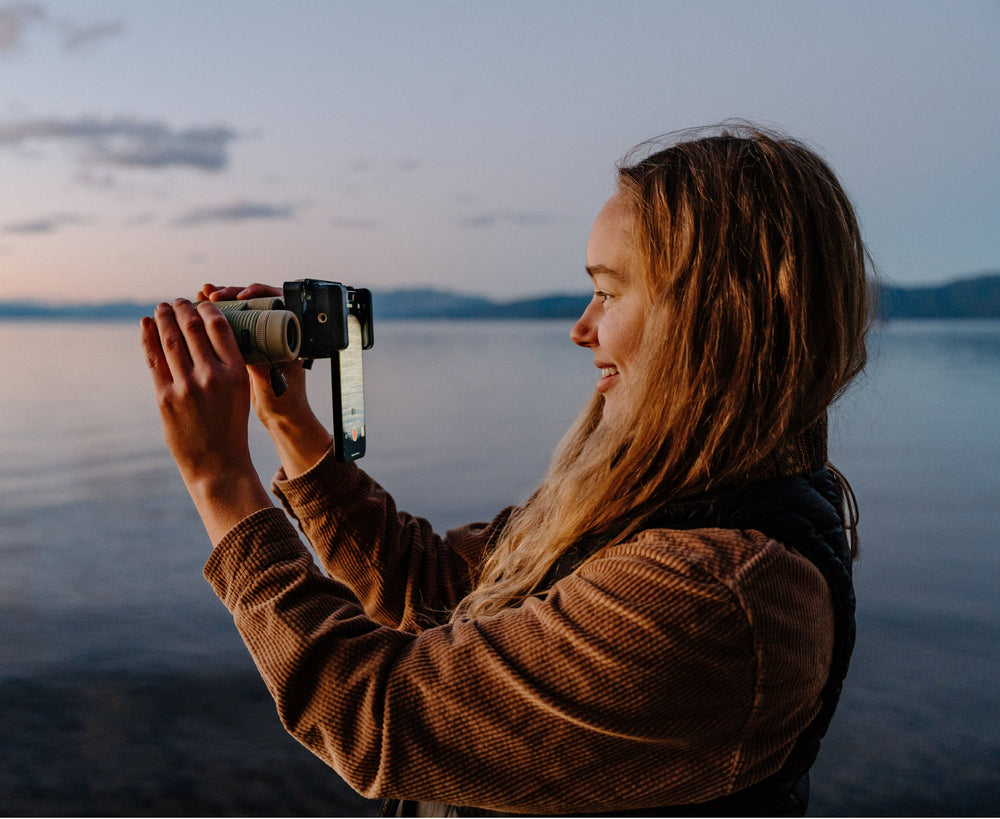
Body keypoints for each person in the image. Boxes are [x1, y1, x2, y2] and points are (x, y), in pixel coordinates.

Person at [140, 122, 870, 816]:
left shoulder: (720, 594)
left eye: (608, 292)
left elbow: (374, 710)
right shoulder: (661, 501)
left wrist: (220, 482)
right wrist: (289, 422)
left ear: (717, 316)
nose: (580, 328)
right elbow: (435, 587)